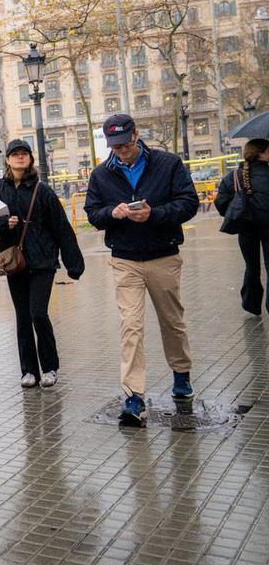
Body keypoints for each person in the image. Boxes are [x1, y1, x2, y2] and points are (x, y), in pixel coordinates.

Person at [84, 114, 200, 427]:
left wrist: (155, 214)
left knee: (171, 320)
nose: (120, 150)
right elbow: (93, 213)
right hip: (125, 259)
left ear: (136, 135)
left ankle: (181, 373)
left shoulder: (168, 163)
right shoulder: (101, 174)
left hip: (163, 255)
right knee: (131, 326)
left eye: (124, 143)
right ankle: (134, 396)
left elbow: (189, 202)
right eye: (114, 145)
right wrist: (113, 212)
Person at [0, 139, 84, 389]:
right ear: (7, 160)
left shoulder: (42, 190)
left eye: (24, 153)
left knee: (38, 313)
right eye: (15, 154)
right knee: (23, 316)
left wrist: (73, 263)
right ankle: (28, 371)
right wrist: (4, 225)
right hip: (15, 262)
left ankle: (49, 367)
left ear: (31, 159)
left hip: (43, 261)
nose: (20, 157)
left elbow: (61, 227)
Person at [215, 138, 269, 316]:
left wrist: (234, 211)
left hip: (246, 228)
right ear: (261, 153)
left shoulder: (234, 176)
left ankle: (251, 304)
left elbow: (221, 202)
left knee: (251, 267)